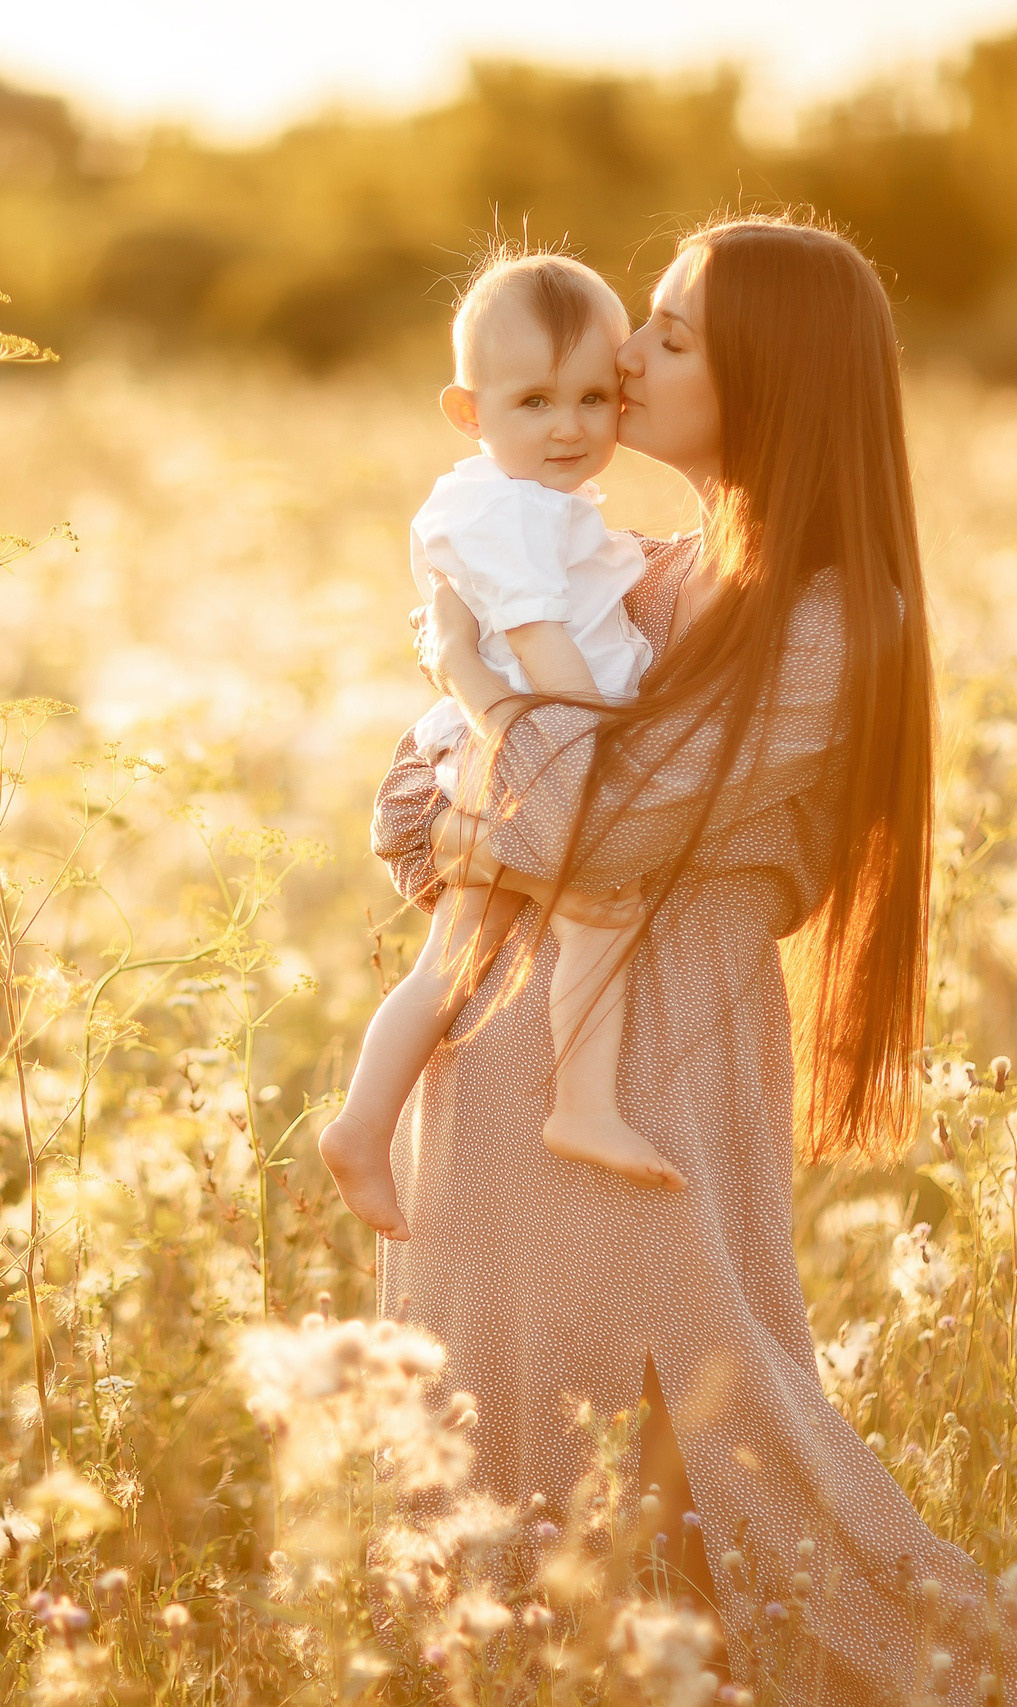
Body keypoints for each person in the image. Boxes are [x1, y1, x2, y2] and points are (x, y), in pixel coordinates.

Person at [376, 214, 1017, 1702]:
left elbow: (570, 820)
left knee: (702, 1424)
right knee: (502, 1434)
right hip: (500, 1052)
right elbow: (418, 808)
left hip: (655, 1053)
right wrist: (500, 767)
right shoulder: (631, 566)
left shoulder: (835, 615)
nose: (628, 351)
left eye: (670, 329)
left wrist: (477, 699)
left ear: (770, 372)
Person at [319, 249, 680, 1243]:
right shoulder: (507, 509)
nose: (569, 426)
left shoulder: (527, 499)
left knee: (455, 954)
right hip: (531, 745)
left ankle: (362, 1121)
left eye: (594, 396)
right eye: (533, 402)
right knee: (600, 915)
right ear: (469, 410)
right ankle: (580, 1103)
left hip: (513, 740)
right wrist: (598, 739)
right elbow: (533, 639)